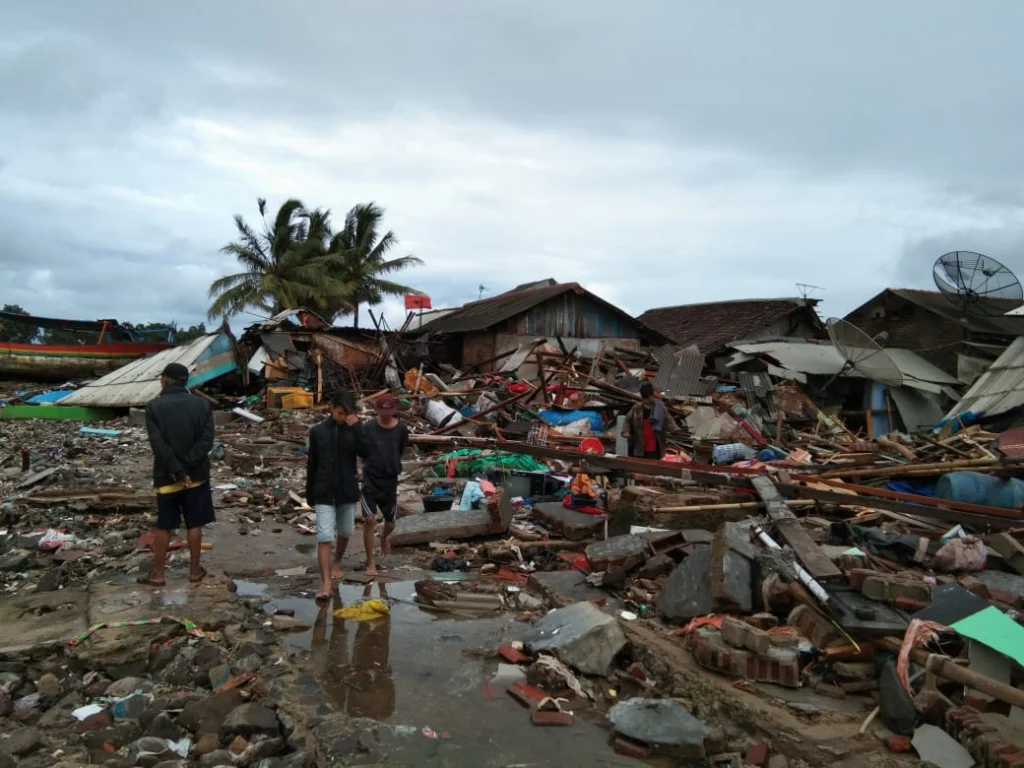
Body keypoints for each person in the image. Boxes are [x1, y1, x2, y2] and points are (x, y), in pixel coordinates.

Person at [138, 362, 215, 586]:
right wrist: (187, 468)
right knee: (194, 523)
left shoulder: (154, 406)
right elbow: (206, 441)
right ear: (185, 382)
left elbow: (158, 444)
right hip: (196, 475)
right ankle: (194, 572)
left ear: (165, 380)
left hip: (166, 475)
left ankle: (159, 575)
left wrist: (176, 469)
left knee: (164, 524)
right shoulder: (202, 405)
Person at [306, 391, 364, 602]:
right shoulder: (318, 431)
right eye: (340, 412)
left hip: (347, 489)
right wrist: (309, 492)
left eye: (346, 413)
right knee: (324, 536)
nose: (342, 417)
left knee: (346, 530)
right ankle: (326, 585)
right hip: (323, 489)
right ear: (331, 408)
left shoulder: (354, 430)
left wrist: (358, 428)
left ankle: (337, 561)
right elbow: (312, 463)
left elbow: (367, 453)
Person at [360, 394, 409, 577]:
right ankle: (371, 562)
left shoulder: (401, 429)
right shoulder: (368, 428)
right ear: (377, 411)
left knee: (390, 523)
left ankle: (383, 538)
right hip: (371, 479)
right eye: (383, 412)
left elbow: (401, 449)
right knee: (369, 519)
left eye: (390, 412)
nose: (386, 416)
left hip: (390, 481)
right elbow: (362, 451)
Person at [622, 381, 673, 459]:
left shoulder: (660, 407)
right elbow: (627, 420)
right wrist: (626, 431)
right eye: (644, 398)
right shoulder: (637, 407)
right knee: (639, 463)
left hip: (654, 441)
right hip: (639, 441)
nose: (645, 400)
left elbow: (668, 419)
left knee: (652, 464)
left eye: (647, 398)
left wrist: (675, 430)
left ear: (651, 396)